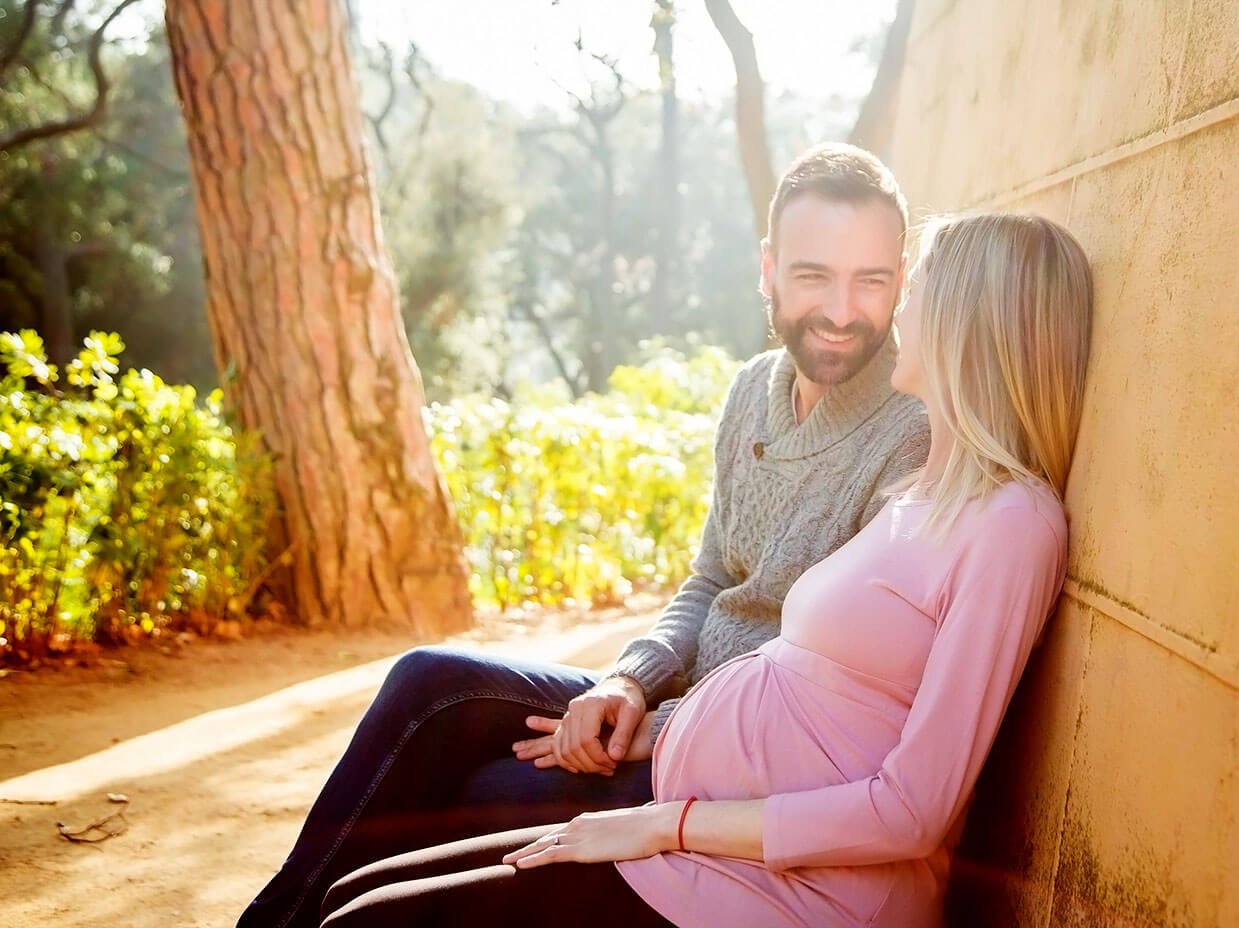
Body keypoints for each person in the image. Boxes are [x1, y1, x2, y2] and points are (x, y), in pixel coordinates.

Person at [314, 211, 1095, 928]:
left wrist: (661, 821)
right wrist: (647, 708)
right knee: (353, 896)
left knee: (364, 922)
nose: (897, 313)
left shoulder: (1013, 526)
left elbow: (912, 809)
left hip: (791, 892)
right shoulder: (922, 494)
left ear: (966, 323)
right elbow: (780, 660)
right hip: (706, 829)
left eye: (909, 287)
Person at [239, 143, 932, 928]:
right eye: (815, 276)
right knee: (430, 683)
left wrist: (660, 734)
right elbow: (710, 578)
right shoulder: (753, 391)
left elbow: (837, 696)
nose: (843, 311)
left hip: (745, 768)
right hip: (672, 708)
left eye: (870, 280)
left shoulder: (913, 434)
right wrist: (627, 683)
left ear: (902, 279)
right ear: (768, 270)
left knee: (484, 793)